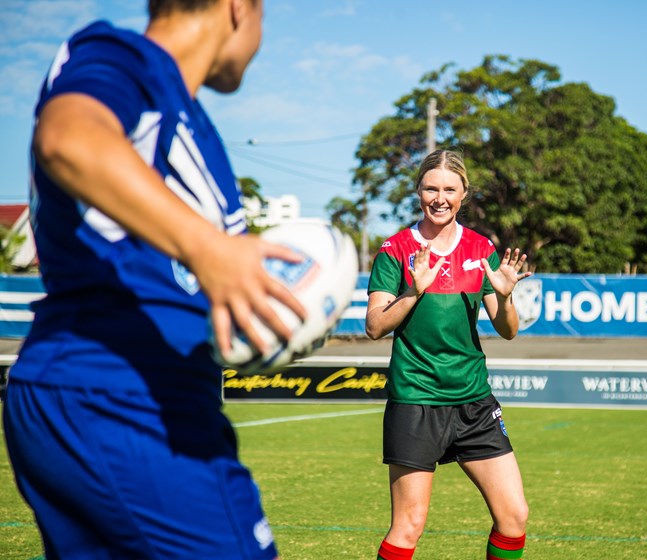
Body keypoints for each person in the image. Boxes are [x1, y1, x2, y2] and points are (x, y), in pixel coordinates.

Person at [2, 1, 300, 558]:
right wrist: (210, 248)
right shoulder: (125, 56)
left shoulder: (193, 122)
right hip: (118, 398)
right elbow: (68, 137)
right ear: (241, 7)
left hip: (130, 398)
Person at [365, 149, 532, 560]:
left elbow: (507, 331)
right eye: (430, 188)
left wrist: (507, 297)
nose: (439, 198)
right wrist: (413, 290)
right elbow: (374, 326)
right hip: (416, 400)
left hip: (474, 400)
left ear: (464, 195)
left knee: (514, 516)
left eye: (449, 190)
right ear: (418, 191)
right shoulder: (395, 250)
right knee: (408, 526)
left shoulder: (480, 248)